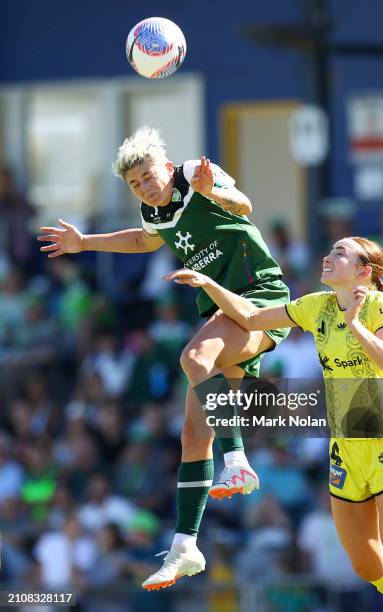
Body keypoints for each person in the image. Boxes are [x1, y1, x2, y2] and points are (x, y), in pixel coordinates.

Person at [37, 126, 290, 590]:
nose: (144, 187)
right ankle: (185, 546)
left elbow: (244, 208)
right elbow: (143, 240)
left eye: (148, 177)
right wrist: (84, 243)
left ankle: (237, 458)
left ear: (167, 168)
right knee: (193, 435)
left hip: (259, 297)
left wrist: (218, 192)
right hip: (223, 312)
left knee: (194, 358)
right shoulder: (153, 211)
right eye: (134, 184)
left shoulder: (195, 174)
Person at [166, 236, 383, 611]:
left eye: (339, 253)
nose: (328, 257)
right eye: (328, 250)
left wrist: (355, 326)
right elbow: (249, 318)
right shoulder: (318, 306)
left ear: (364, 271)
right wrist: (209, 284)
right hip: (344, 450)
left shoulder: (380, 305)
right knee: (365, 565)